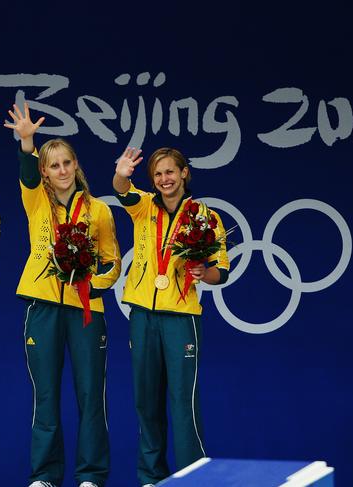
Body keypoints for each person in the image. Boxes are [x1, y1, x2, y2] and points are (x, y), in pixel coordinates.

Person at [4, 103, 121, 487]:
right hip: (42, 306)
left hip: (86, 310)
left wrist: (90, 281)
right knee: (46, 397)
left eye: (67, 163)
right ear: (45, 172)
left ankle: (90, 475)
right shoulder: (36, 200)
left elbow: (113, 263)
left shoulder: (100, 210)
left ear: (76, 166)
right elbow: (25, 171)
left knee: (91, 397)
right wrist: (27, 141)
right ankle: (45, 476)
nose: (62, 170)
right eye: (53, 165)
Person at [112, 147, 230, 487]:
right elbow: (122, 189)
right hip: (142, 314)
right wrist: (122, 172)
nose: (165, 179)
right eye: (158, 174)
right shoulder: (144, 206)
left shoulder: (203, 216)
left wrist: (202, 273)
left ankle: (193, 477)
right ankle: (151, 477)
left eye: (170, 172)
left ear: (184, 174)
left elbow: (221, 269)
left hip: (181, 318)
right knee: (146, 400)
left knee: (183, 403)